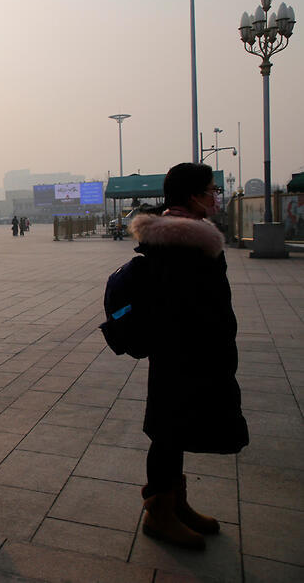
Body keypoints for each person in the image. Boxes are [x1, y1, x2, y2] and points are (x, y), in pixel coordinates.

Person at [129, 162, 248, 550]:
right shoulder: (183, 243)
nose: (215, 197)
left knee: (173, 429)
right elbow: (184, 306)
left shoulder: (182, 236)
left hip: (185, 351)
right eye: (211, 190)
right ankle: (159, 513)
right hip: (183, 353)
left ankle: (174, 502)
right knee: (168, 431)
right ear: (194, 196)